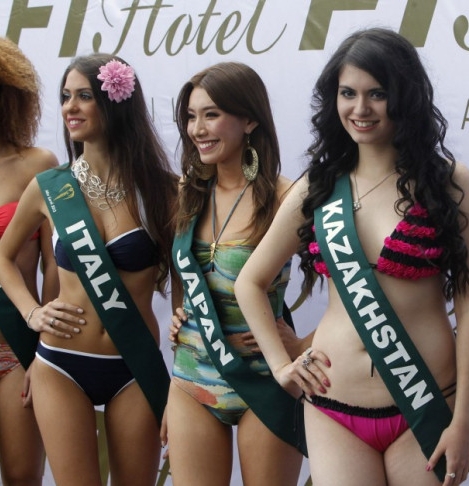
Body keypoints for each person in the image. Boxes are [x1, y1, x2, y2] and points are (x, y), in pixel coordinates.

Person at [236, 28, 469, 486]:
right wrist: (281, 366)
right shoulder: (318, 187)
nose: (360, 109)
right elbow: (249, 282)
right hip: (334, 407)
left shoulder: (450, 182)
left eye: (377, 94)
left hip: (425, 402)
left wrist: (465, 420)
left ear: (405, 97)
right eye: (347, 93)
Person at [0, 53, 177, 486]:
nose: (70, 107)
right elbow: (1, 257)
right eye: (65, 97)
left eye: (84, 96)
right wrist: (31, 313)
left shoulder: (164, 190)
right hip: (60, 363)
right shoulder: (50, 186)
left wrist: (185, 318)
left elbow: (185, 268)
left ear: (115, 102)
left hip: (134, 363)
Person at [163, 62, 308, 486]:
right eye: (190, 116)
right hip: (191, 380)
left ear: (250, 119)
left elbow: (350, 296)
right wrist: (179, 313)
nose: (197, 129)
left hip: (264, 380)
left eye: (211, 115)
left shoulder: (289, 198)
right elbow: (184, 274)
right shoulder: (185, 192)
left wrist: (301, 344)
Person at [0, 35, 57, 486]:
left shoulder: (38, 163)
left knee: (21, 476)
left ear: (3, 93)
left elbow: (56, 264)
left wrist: (44, 350)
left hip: (17, 350)